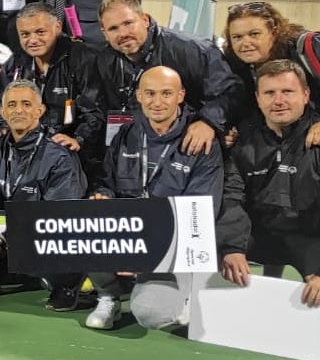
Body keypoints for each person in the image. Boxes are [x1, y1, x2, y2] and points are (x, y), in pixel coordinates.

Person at [85, 66, 224, 330]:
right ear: (138, 95)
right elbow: (107, 182)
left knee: (152, 315)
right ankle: (108, 296)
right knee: (88, 220)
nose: (157, 102)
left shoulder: (201, 141)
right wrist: (102, 196)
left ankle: (183, 294)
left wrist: (143, 255)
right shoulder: (126, 135)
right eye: (149, 93)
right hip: (130, 234)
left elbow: (198, 211)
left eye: (166, 94)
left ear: (180, 95)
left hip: (174, 243)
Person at [217, 60, 320, 308]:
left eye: (287, 92)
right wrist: (231, 247)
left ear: (305, 95)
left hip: (311, 237)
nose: (278, 101)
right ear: (258, 99)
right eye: (269, 93)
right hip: (259, 234)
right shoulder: (241, 141)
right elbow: (230, 198)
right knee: (209, 253)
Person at [0, 80, 88, 300]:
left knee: (52, 269)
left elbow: (55, 216)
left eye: (26, 104)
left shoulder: (59, 155)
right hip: (11, 226)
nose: (18, 110)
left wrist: (0, 242)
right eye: (12, 105)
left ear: (39, 111)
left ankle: (56, 281)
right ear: (3, 112)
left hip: (43, 233)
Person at [96, 0, 242, 158]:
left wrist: (208, 123)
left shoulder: (191, 49)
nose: (123, 33)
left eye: (128, 23)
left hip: (189, 150)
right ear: (104, 33)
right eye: (113, 28)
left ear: (145, 20)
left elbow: (230, 91)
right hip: (134, 153)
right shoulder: (104, 60)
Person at [221, 0, 320, 144]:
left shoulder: (315, 47)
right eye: (237, 37)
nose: (245, 43)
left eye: (254, 34)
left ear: (274, 32)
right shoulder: (238, 67)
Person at [2, 2, 103, 165]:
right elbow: (4, 104)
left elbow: (94, 112)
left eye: (40, 32)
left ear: (57, 27)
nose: (33, 40)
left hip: (70, 150)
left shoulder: (82, 58)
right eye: (25, 34)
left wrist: (78, 138)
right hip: (29, 147)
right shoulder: (17, 62)